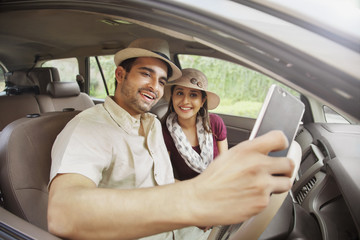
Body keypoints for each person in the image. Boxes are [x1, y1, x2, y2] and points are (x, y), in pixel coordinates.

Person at [47, 38, 295, 240]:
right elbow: (63, 212)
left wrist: (206, 203)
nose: (154, 87)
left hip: (185, 231)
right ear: (120, 74)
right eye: (146, 74)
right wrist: (193, 200)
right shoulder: (88, 127)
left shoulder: (153, 123)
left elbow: (162, 182)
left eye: (161, 81)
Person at [162, 68, 228, 180]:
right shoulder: (165, 132)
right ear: (172, 97)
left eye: (193, 95)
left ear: (202, 101)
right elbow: (165, 176)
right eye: (179, 93)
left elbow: (225, 165)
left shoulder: (215, 123)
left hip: (219, 184)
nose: (185, 101)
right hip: (188, 192)